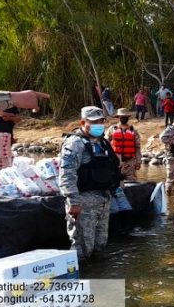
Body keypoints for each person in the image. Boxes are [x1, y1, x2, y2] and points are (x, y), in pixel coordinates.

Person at [58, 106, 121, 261]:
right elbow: (67, 174)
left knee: (101, 244)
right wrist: (73, 202)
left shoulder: (103, 143)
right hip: (83, 202)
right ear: (83, 122)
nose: (98, 124)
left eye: (101, 121)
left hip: (103, 201)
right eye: (94, 122)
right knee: (83, 247)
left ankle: (99, 278)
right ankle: (81, 279)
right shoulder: (75, 144)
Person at [105, 109, 142, 181]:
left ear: (128, 117)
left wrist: (138, 162)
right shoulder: (112, 129)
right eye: (122, 117)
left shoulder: (133, 130)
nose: (124, 118)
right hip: (115, 161)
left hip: (130, 162)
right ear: (118, 117)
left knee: (131, 182)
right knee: (114, 182)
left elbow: (137, 147)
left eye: (125, 117)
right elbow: (106, 144)